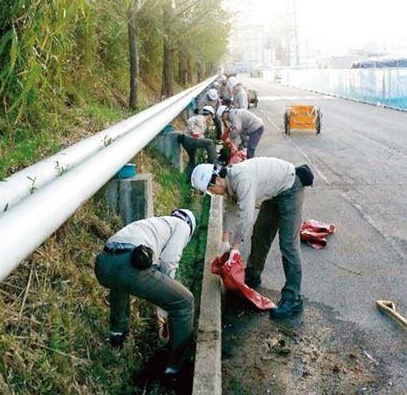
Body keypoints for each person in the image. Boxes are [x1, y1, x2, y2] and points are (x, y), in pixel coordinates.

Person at [191, 159, 313, 319]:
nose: (212, 193)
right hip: (274, 192)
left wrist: (235, 248)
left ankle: (293, 298)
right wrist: (224, 241)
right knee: (260, 234)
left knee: (288, 244)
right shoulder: (228, 183)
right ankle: (253, 274)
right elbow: (230, 211)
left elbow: (246, 216)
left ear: (217, 179)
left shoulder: (242, 179)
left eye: (210, 189)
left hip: (290, 187)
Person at [94, 209, 196, 379]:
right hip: (128, 263)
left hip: (103, 263)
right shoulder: (183, 226)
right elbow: (169, 262)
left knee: (119, 283)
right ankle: (175, 367)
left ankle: (117, 335)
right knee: (185, 302)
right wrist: (165, 305)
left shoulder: (155, 223)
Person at [179, 105, 217, 179]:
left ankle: (186, 178)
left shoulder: (203, 122)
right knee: (209, 143)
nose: (211, 118)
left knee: (192, 160)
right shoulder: (200, 118)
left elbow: (201, 136)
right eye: (211, 116)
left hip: (189, 141)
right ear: (209, 115)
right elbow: (189, 121)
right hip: (189, 139)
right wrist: (193, 132)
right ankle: (213, 164)